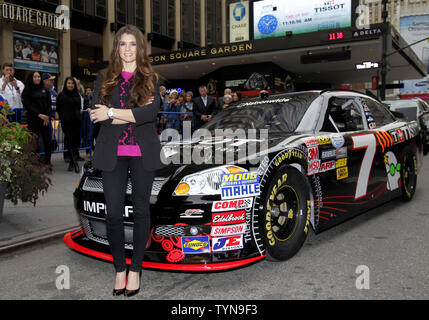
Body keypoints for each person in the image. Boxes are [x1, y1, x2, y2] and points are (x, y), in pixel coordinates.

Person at [88, 24, 163, 297]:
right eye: (123, 44)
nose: (128, 49)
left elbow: (150, 114)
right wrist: (125, 113)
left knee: (142, 211)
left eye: (133, 44)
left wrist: (112, 113)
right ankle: (120, 268)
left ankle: (136, 269)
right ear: (116, 47)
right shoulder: (104, 77)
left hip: (143, 152)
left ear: (140, 48)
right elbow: (97, 114)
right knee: (113, 214)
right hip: (112, 153)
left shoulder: (150, 77)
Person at [22, 71, 52, 165]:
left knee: (48, 140)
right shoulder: (27, 90)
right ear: (31, 78)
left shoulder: (45, 89)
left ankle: (47, 161)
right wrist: (39, 114)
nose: (37, 78)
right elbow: (27, 105)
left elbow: (49, 104)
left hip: (45, 120)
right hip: (33, 118)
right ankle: (36, 161)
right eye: (35, 77)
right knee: (35, 142)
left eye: (38, 76)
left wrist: (47, 116)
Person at [56, 77, 82, 172]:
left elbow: (79, 107)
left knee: (74, 142)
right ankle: (75, 163)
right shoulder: (61, 95)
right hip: (66, 122)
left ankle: (71, 162)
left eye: (72, 83)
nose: (70, 85)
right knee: (70, 141)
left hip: (76, 122)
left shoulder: (77, 95)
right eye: (69, 83)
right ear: (65, 84)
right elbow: (58, 108)